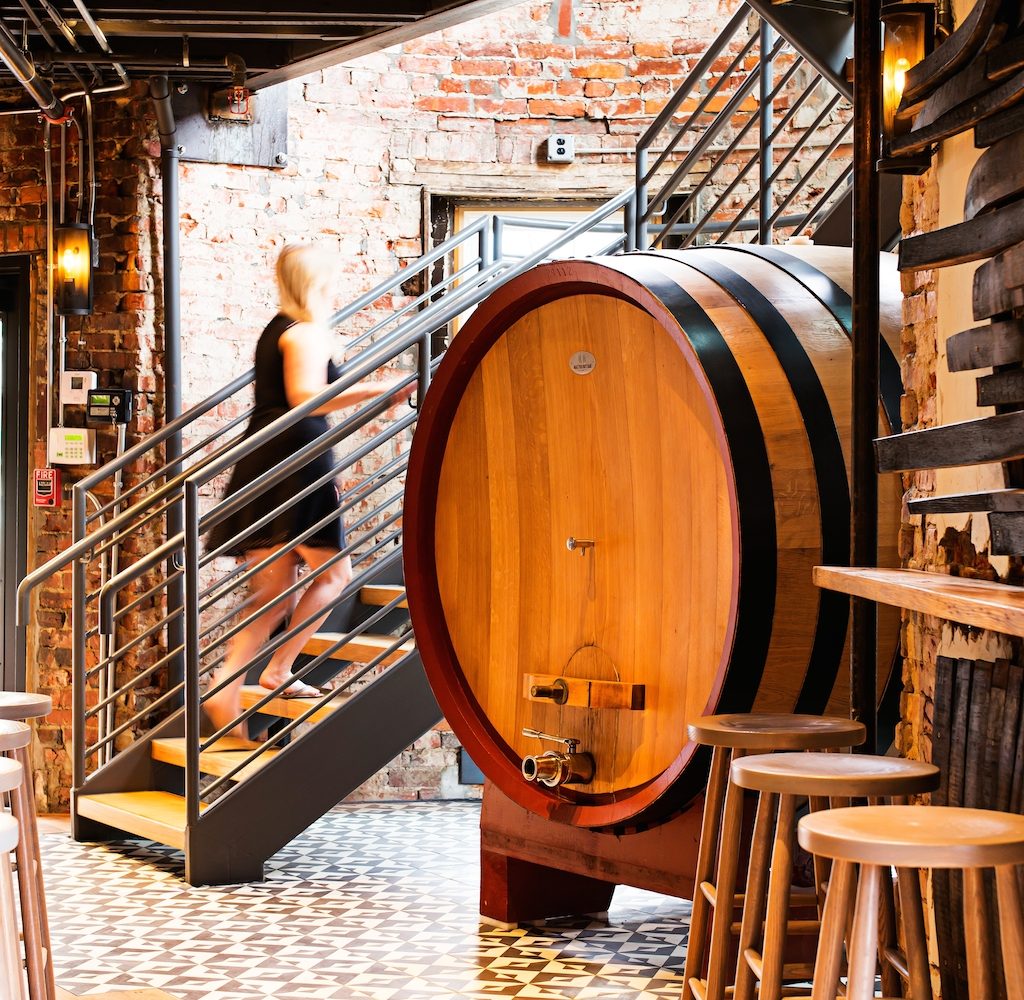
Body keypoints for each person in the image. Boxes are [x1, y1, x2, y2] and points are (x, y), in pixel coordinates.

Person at [204, 243, 411, 736]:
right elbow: (306, 398)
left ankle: (228, 686)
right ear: (316, 282)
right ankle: (276, 671)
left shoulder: (278, 329)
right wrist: (379, 387)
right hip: (296, 462)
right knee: (334, 576)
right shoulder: (303, 335)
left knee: (274, 588)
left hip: (271, 458)